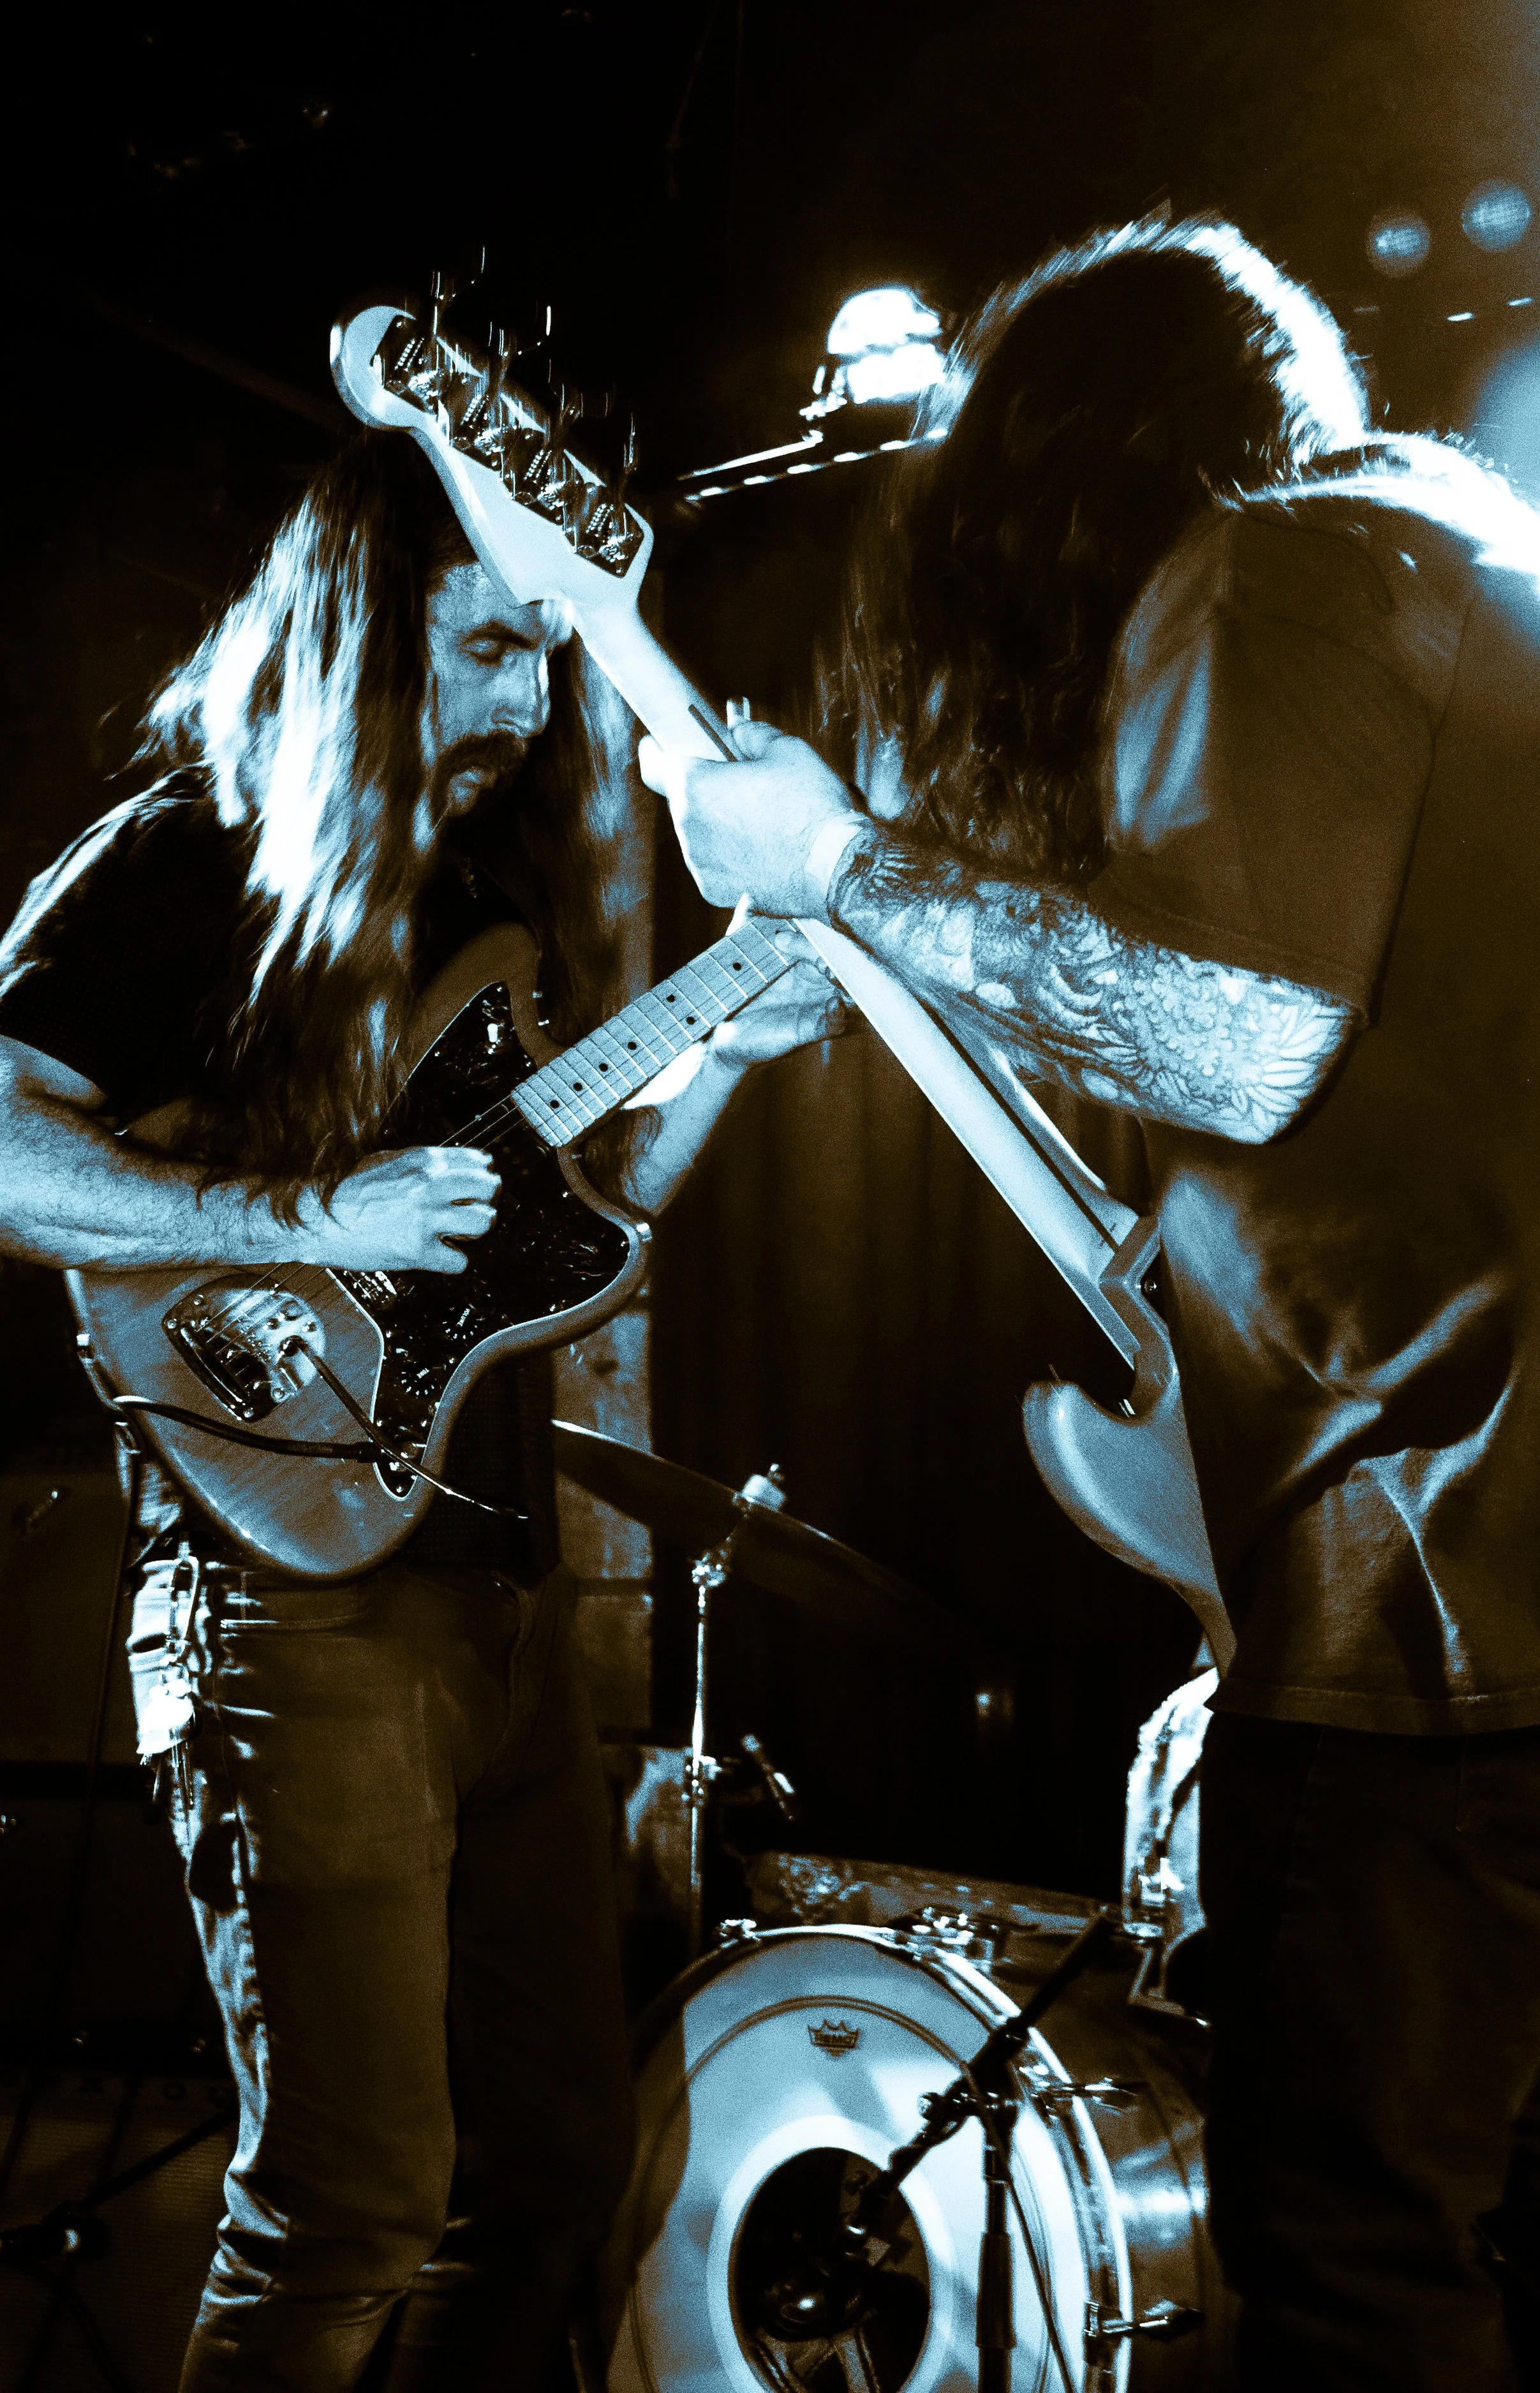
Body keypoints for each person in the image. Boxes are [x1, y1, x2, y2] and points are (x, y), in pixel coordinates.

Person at [640, 216, 1540, 2391]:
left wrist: (845, 866)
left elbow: (1233, 1038)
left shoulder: (1268, 571)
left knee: (1358, 2273)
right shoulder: (1467, 575)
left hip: (1443, 1616)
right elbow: (1297, 1042)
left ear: (1054, 464)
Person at [0, 432, 845, 2393]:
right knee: (348, 2201)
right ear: (363, 637)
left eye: (549, 656)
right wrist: (304, 1213)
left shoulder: (481, 896)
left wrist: (737, 1026)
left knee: (547, 2169)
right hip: (285, 1605)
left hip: (492, 1595)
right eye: (485, 650)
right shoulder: (183, 853)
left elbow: (580, 1218)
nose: (527, 702)